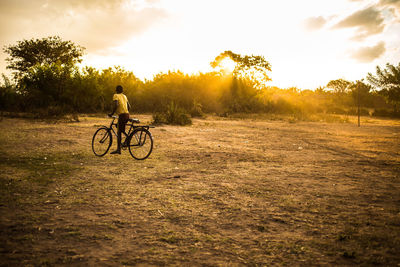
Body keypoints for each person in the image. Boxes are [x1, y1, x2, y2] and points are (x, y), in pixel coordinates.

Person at [108, 85, 131, 154]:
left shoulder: (115, 95)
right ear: (122, 91)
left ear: (116, 90)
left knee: (119, 132)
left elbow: (116, 105)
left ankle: (118, 150)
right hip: (127, 114)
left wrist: (112, 113)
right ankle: (127, 140)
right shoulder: (124, 96)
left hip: (122, 115)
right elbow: (129, 107)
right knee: (121, 130)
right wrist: (125, 111)